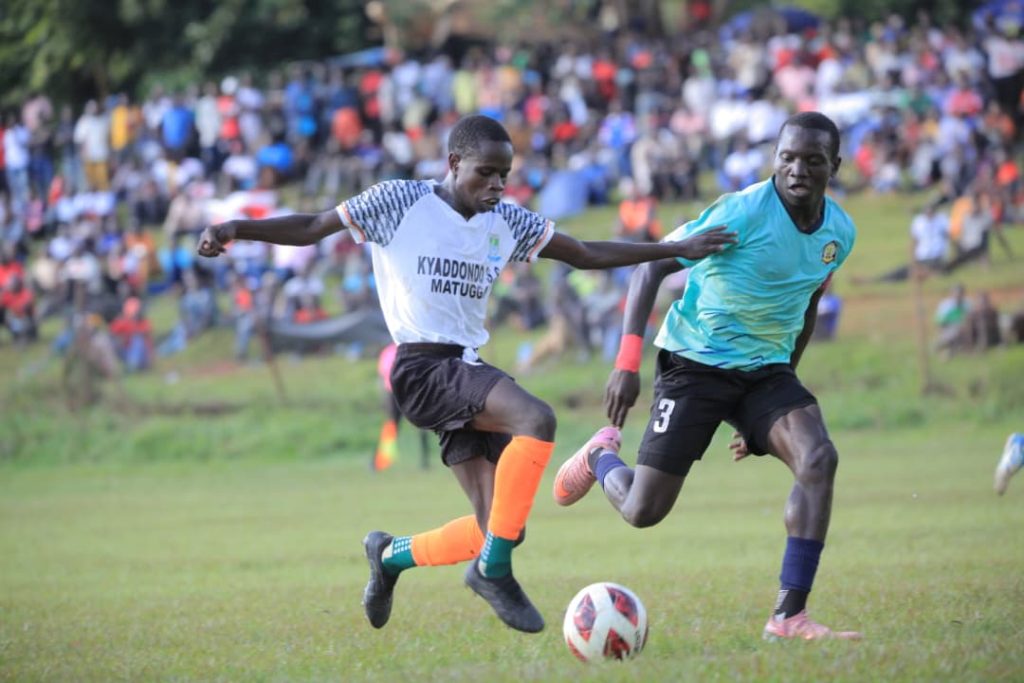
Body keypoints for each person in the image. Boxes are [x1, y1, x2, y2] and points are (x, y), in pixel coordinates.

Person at [196, 115, 736, 634]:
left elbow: (586, 252)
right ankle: (491, 574)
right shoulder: (398, 201)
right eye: (486, 172)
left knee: (500, 527)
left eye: (505, 174)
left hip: (465, 367)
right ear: (454, 162)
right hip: (422, 366)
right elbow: (314, 227)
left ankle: (388, 556)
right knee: (536, 418)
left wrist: (674, 249)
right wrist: (237, 228)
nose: (498, 184)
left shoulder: (508, 220)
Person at [552, 112, 862, 641]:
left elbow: (808, 299)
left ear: (833, 165)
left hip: (766, 371)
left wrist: (781, 387)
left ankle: (788, 617)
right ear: (775, 159)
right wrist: (625, 364)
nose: (797, 169)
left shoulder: (840, 232)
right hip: (695, 365)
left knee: (818, 458)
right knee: (643, 511)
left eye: (812, 160)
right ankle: (601, 457)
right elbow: (652, 266)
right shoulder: (741, 212)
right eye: (787, 157)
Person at [372, 342, 430, 472]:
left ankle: (424, 461)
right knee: (393, 427)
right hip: (396, 394)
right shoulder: (396, 350)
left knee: (419, 426)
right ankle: (382, 460)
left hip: (404, 392)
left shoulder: (398, 350)